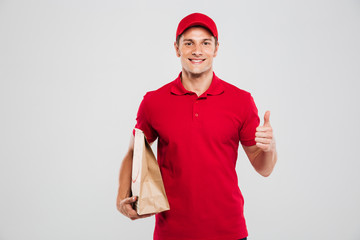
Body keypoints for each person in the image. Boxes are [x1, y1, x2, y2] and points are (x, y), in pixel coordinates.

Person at [116, 12, 278, 240]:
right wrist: (121, 197)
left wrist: (270, 147)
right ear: (177, 48)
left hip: (228, 232)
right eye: (189, 43)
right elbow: (134, 151)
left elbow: (264, 168)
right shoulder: (154, 101)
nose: (197, 51)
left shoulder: (240, 101)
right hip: (172, 232)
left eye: (205, 43)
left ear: (216, 49)